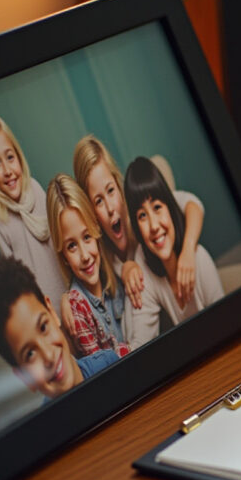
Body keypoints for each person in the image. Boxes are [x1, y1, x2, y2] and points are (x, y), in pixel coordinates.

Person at [72, 135, 207, 310]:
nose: (110, 208)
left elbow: (193, 204)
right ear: (91, 212)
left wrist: (188, 249)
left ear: (119, 186)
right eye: (98, 201)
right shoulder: (97, 257)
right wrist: (126, 269)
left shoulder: (140, 213)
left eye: (111, 191)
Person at [0, 257, 119, 401]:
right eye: (30, 354)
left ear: (52, 312)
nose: (48, 356)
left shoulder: (109, 364)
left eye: (43, 327)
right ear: (24, 377)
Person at [122, 156, 224, 345]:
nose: (153, 225)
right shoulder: (143, 266)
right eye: (142, 216)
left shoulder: (199, 258)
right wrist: (126, 267)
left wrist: (187, 251)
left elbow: (227, 324)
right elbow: (140, 344)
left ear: (170, 207)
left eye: (157, 207)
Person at [0, 113, 67, 313]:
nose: (7, 170)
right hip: (44, 312)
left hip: (70, 296)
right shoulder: (0, 220)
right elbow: (14, 283)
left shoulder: (35, 189)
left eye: (9, 157)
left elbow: (60, 241)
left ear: (18, 155)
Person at [46, 173, 132, 358]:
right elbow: (105, 371)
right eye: (72, 246)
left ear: (96, 231)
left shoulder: (113, 275)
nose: (85, 256)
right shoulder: (77, 310)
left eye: (87, 237)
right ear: (64, 257)